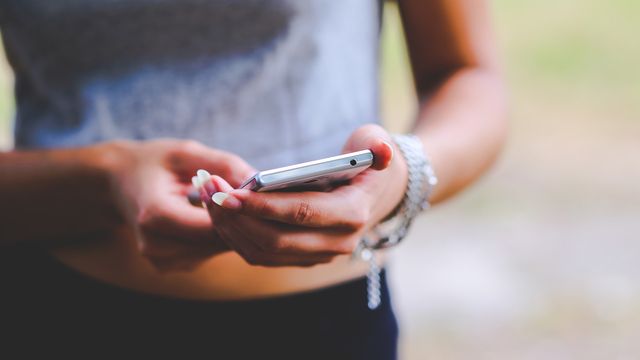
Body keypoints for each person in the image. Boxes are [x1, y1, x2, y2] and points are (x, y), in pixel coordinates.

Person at [0, 0, 506, 358]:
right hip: (62, 311)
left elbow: (467, 75)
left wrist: (404, 176)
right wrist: (106, 178)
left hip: (329, 326)